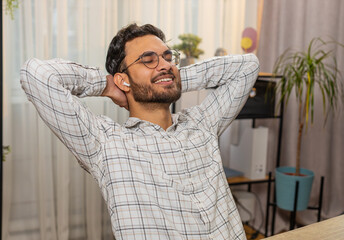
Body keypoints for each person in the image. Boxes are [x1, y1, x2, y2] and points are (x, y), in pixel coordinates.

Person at [20, 23, 259, 240]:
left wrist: (169, 76)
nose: (165, 64)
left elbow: (248, 67)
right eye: (148, 59)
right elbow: (36, 76)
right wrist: (106, 85)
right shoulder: (105, 143)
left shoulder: (201, 124)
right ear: (123, 80)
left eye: (168, 57)